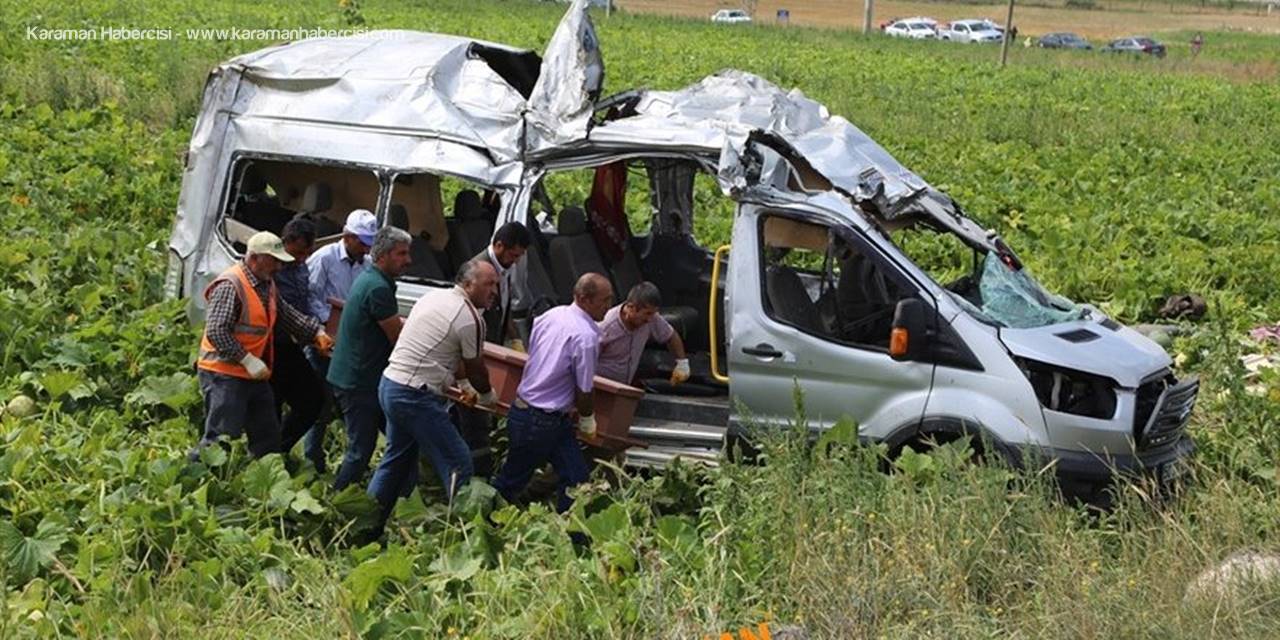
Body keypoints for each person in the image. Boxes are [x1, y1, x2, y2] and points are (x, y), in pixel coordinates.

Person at [368, 259, 500, 529]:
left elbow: (450, 352)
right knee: (459, 462)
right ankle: (466, 535)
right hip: (415, 396)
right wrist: (487, 397)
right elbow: (476, 368)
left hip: (391, 384)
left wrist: (462, 385)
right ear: (467, 284)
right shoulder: (469, 318)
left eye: (496, 285)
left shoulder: (435, 298)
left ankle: (366, 525)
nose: (494, 290)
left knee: (396, 461)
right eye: (489, 284)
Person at [191, 231, 333, 460]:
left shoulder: (266, 284)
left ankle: (263, 482)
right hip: (224, 374)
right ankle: (197, 481)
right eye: (274, 260)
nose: (278, 267)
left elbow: (286, 315)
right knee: (221, 439)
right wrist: (246, 359)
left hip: (253, 374)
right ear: (255, 257)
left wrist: (315, 332)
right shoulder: (231, 284)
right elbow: (217, 331)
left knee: (267, 435)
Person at [491, 273, 613, 512]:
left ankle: (573, 536)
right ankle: (480, 521)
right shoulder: (585, 337)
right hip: (540, 419)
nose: (608, 308)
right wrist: (588, 419)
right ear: (584, 299)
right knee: (512, 480)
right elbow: (584, 388)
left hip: (538, 413)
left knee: (576, 478)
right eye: (604, 301)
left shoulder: (551, 316)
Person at [326, 226, 412, 491]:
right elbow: (398, 339)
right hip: (359, 382)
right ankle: (338, 500)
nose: (408, 260)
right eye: (401, 254)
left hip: (359, 378)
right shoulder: (377, 289)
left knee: (403, 441)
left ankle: (402, 493)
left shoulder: (371, 279)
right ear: (383, 256)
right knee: (360, 450)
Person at [303, 208, 377, 471]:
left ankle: (354, 458)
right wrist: (331, 324)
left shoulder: (367, 265)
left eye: (370, 244)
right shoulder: (324, 258)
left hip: (349, 347)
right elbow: (309, 298)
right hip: (324, 341)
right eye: (362, 244)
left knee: (350, 404)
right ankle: (311, 458)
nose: (366, 250)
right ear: (347, 236)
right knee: (319, 403)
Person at [268, 219, 328, 458]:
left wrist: (315, 331)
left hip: (295, 344)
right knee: (272, 404)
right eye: (300, 252)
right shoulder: (272, 269)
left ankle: (279, 447)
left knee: (313, 400)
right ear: (287, 243)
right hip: (271, 345)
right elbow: (281, 312)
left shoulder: (303, 267)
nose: (303, 258)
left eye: (308, 252)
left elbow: (303, 303)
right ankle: (267, 458)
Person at [596, 282, 689, 386]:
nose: (650, 319)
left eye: (653, 314)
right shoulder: (605, 327)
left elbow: (671, 336)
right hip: (601, 387)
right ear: (631, 308)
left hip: (624, 387)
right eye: (647, 314)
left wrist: (682, 364)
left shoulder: (652, 319)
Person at [475, 221, 532, 350]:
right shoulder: (479, 272)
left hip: (495, 341)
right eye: (514, 255)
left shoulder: (506, 266)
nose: (516, 261)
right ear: (499, 246)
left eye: (520, 256)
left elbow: (504, 306)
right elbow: (471, 320)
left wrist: (515, 339)